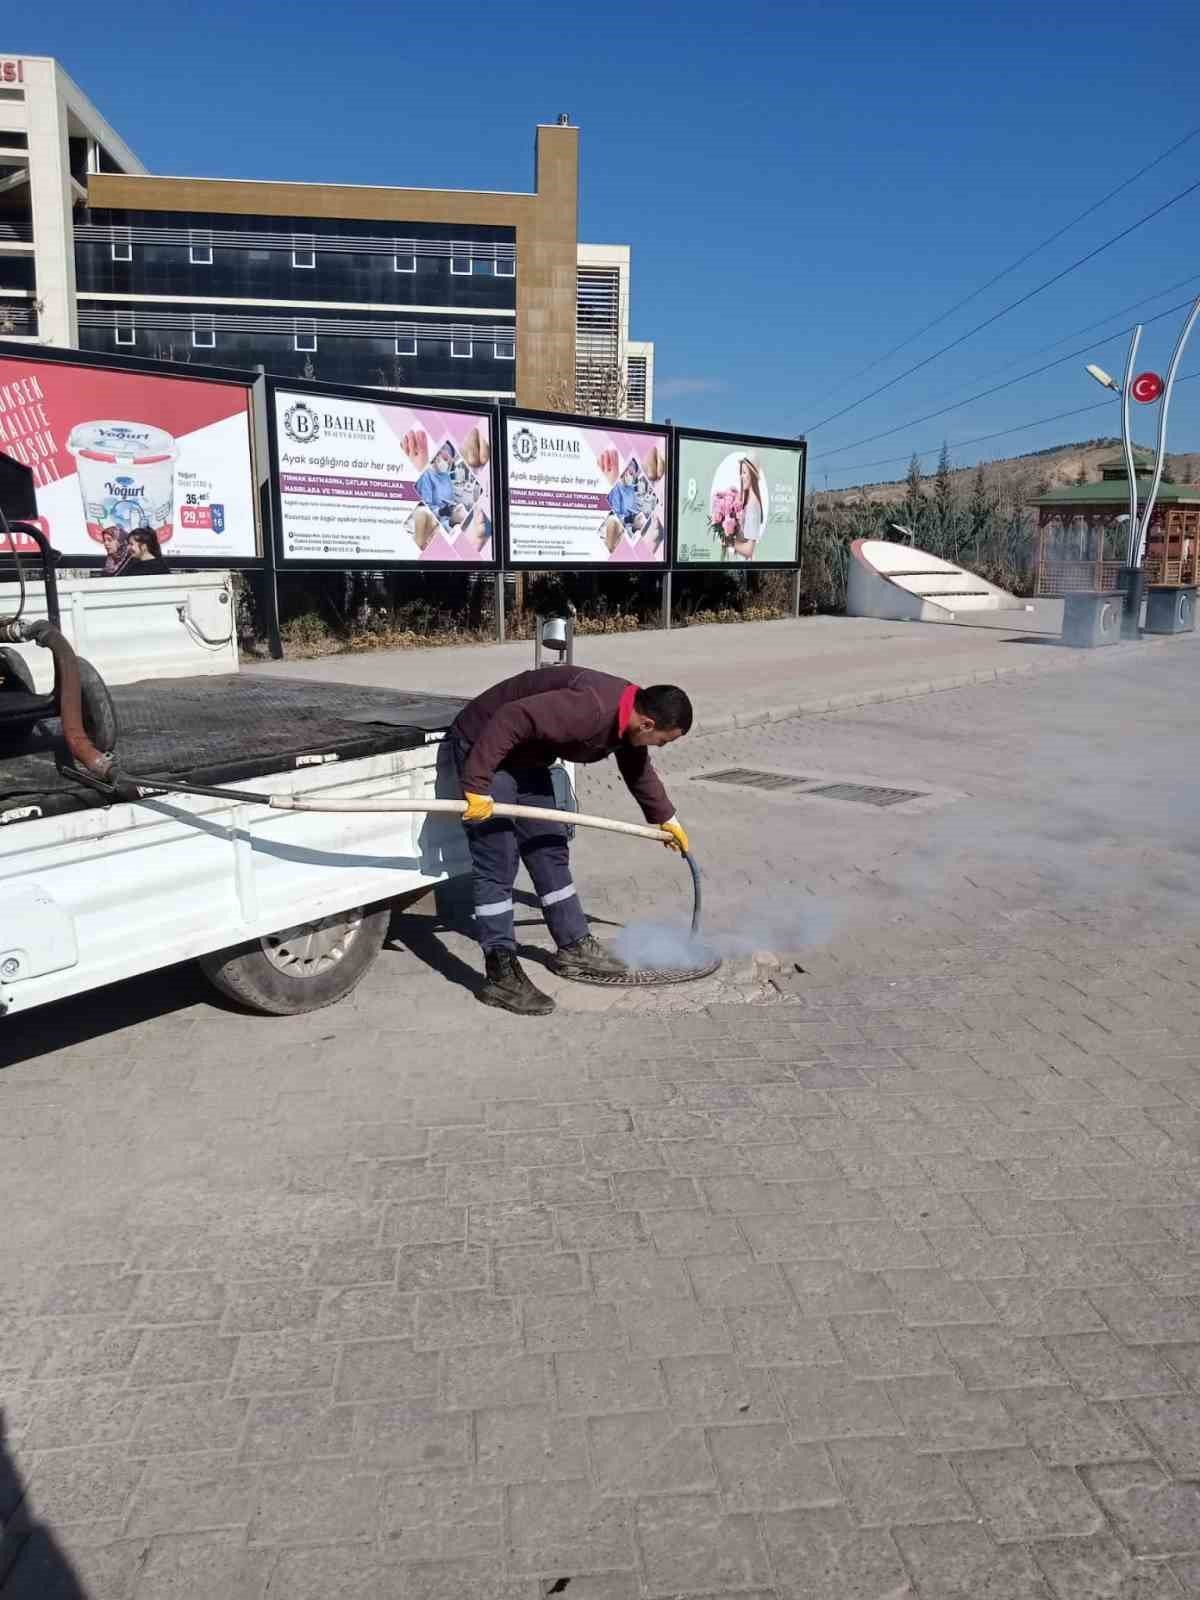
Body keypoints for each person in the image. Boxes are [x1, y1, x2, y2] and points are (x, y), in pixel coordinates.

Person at [449, 669, 693, 1016]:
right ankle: (500, 971)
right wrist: (475, 784)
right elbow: (511, 717)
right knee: (498, 859)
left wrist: (666, 817)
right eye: (664, 741)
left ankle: (573, 945)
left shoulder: (629, 718)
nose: (660, 747)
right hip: (486, 745)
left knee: (549, 846)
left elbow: (638, 769)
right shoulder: (591, 708)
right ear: (648, 724)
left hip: (528, 754)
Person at [729, 457, 765, 560]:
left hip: (744, 566)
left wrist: (729, 541)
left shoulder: (753, 506)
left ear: (752, 475)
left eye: (744, 472)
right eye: (741, 472)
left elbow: (749, 551)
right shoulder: (748, 502)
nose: (741, 476)